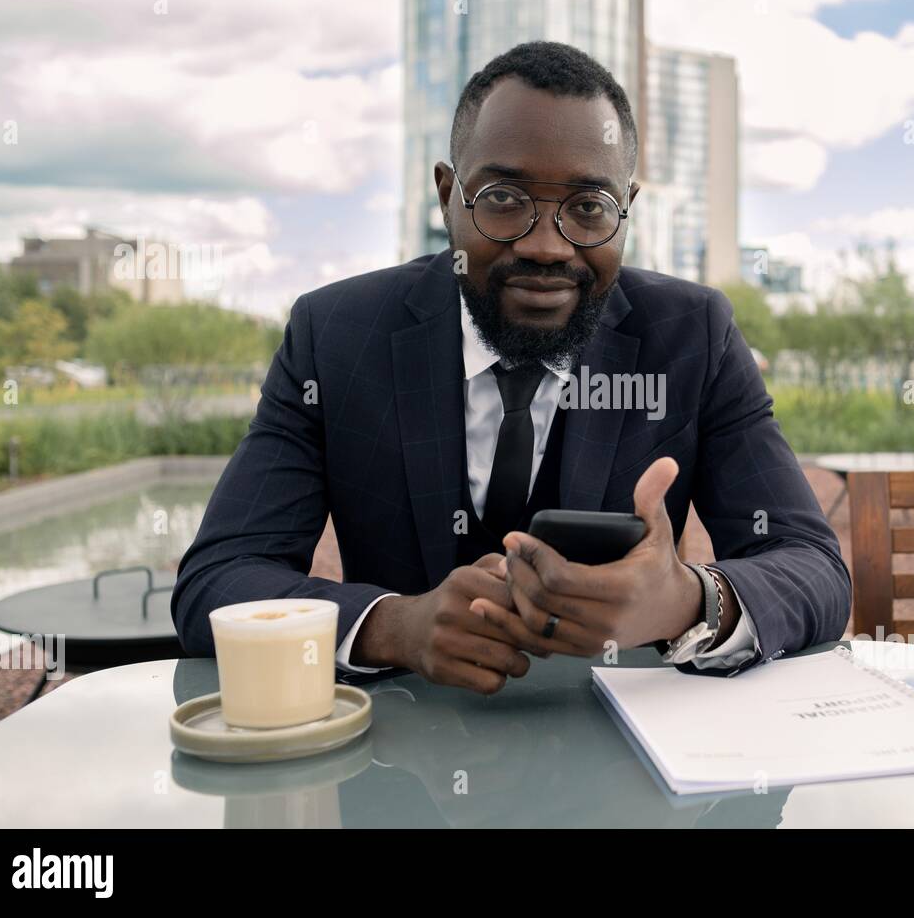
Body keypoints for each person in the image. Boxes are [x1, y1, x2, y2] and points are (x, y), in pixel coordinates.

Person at [172, 40, 850, 694]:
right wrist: (393, 627)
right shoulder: (337, 336)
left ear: (627, 211)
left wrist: (687, 602)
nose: (548, 246)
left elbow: (813, 568)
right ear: (447, 197)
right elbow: (220, 578)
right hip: (398, 763)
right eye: (503, 199)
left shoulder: (692, 336)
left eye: (589, 208)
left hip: (625, 770)